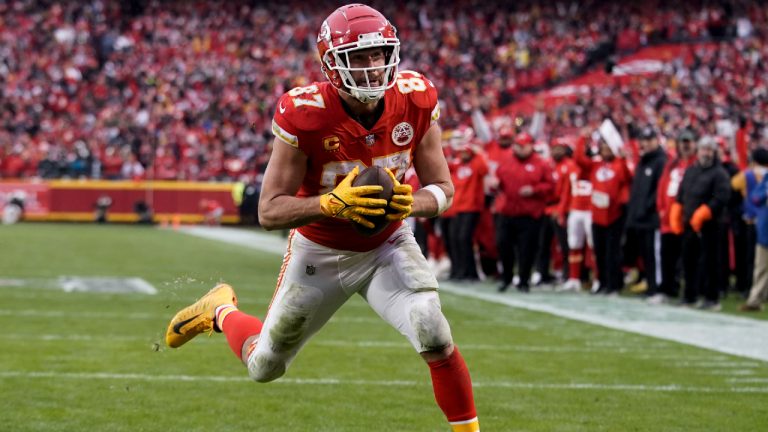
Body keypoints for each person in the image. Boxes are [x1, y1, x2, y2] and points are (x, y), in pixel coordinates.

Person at [164, 5, 479, 432]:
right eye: (358, 57)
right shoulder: (305, 113)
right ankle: (221, 309)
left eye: (378, 54)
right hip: (320, 249)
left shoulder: (416, 97)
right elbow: (270, 210)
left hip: (387, 245)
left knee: (433, 331)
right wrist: (330, 203)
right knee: (264, 366)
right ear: (331, 64)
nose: (372, 68)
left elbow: (443, 188)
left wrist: (412, 203)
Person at [670, 136, 731, 310]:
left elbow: (721, 197)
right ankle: (690, 295)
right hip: (689, 223)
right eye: (703, 149)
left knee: (710, 262)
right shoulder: (691, 170)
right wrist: (677, 210)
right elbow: (682, 193)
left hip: (711, 225)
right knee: (689, 261)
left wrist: (706, 211)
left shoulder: (719, 173)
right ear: (698, 151)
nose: (706, 153)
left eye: (709, 150)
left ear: (714, 152)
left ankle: (711, 297)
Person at [494, 132, 555, 292]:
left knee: (526, 249)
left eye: (522, 146)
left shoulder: (541, 164)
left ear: (530, 146)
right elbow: (498, 182)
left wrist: (534, 190)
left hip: (530, 214)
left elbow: (550, 186)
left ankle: (523, 280)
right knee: (503, 245)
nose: (519, 149)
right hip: (507, 212)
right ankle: (506, 278)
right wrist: (495, 184)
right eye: (517, 146)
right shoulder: (507, 161)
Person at [623, 126, 667, 297]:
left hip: (652, 217)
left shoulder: (660, 161)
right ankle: (650, 285)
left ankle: (657, 287)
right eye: (644, 140)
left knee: (654, 255)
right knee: (645, 255)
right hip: (640, 218)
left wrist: (648, 208)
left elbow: (658, 191)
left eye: (649, 140)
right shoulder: (643, 161)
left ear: (656, 141)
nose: (646, 144)